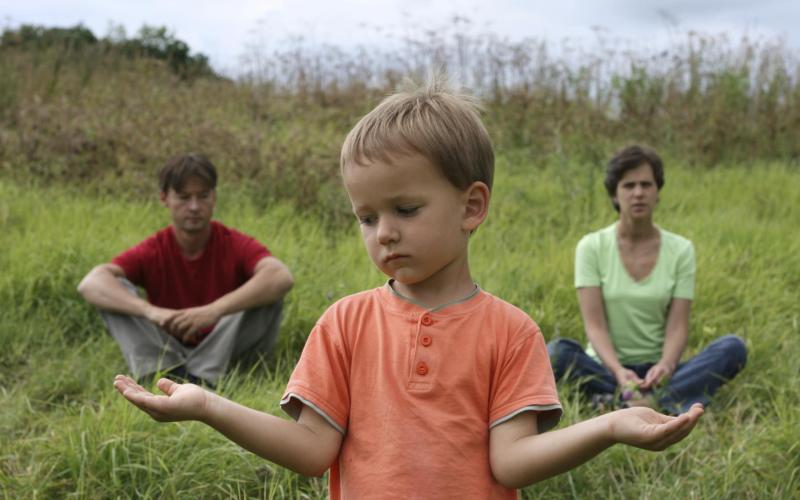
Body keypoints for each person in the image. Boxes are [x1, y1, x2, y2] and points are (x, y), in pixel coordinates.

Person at [113, 80, 704, 499]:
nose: (385, 233)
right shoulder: (344, 323)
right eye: (366, 217)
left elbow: (511, 462)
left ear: (472, 205)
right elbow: (313, 450)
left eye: (405, 208)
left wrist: (609, 427)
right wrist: (206, 405)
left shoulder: (510, 331)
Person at [548, 145, 747, 414]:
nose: (638, 193)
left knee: (733, 348)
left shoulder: (681, 249)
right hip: (607, 367)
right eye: (629, 185)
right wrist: (619, 371)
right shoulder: (591, 247)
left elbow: (678, 326)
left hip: (658, 371)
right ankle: (655, 401)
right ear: (615, 194)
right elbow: (594, 326)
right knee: (556, 352)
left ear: (657, 192)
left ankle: (628, 402)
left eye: (646, 184)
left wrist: (665, 366)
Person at [79, 153, 294, 387]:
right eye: (183, 197)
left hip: (223, 350)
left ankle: (205, 378)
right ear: (165, 199)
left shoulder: (232, 242)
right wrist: (152, 312)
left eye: (203, 196)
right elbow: (91, 283)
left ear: (214, 198)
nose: (194, 207)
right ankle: (165, 372)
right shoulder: (155, 249)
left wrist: (213, 311)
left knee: (267, 291)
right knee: (114, 288)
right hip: (168, 347)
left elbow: (280, 276)